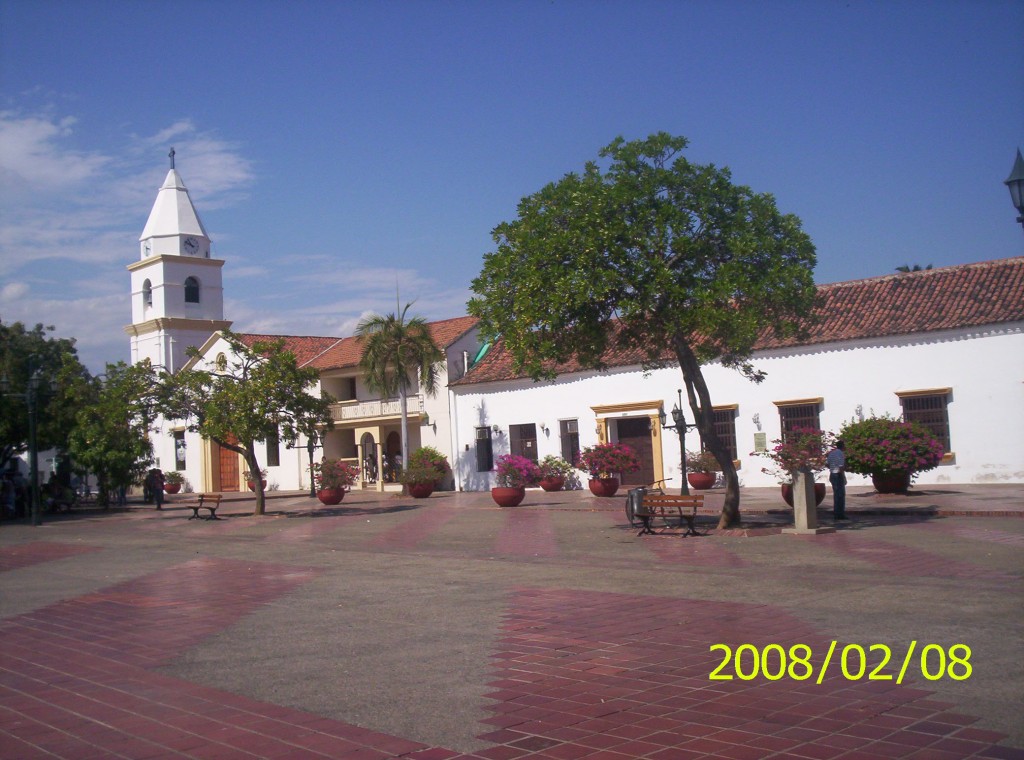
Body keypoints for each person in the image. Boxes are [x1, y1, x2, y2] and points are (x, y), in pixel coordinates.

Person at [826, 440, 847, 520]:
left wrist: (832, 468)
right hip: (838, 474)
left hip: (832, 474)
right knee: (841, 495)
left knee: (836, 495)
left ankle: (836, 513)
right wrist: (843, 477)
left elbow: (827, 464)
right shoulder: (840, 454)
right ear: (842, 446)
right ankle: (840, 514)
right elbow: (841, 467)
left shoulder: (832, 453)